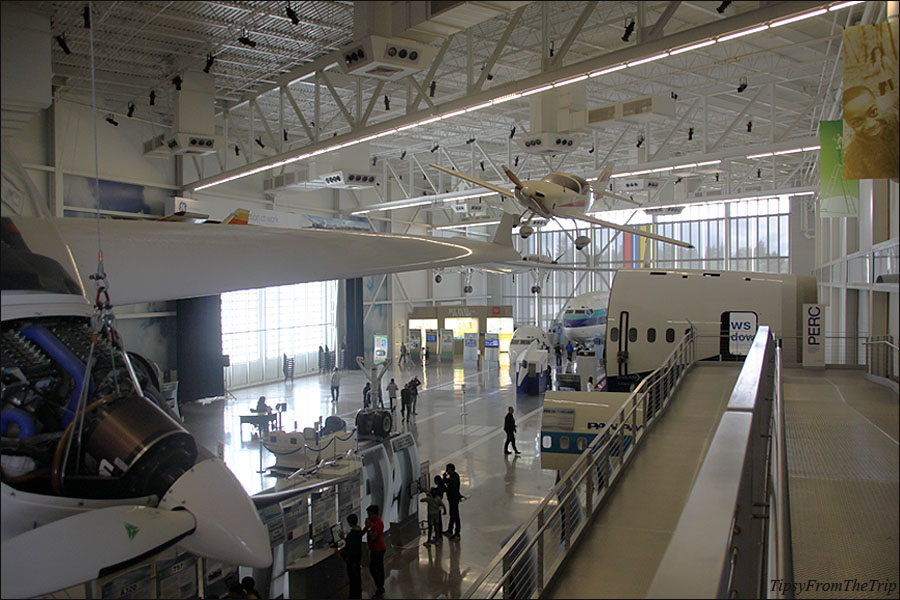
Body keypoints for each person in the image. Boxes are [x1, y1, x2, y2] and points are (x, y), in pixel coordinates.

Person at [842, 85, 900, 179]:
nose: (870, 125)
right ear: (848, 124)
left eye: (873, 112)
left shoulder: (894, 122)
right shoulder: (853, 157)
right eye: (857, 122)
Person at [363, 505, 386, 598]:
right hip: (373, 549)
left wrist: (369, 527)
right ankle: (380, 587)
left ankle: (380, 587)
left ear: (375, 514)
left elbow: (373, 536)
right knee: (375, 568)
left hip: (378, 549)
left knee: (375, 569)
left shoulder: (378, 523)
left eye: (370, 514)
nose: (368, 516)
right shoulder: (371, 522)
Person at [340, 513, 364, 599]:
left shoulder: (351, 535)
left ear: (350, 523)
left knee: (353, 578)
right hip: (357, 558)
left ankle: (353, 595)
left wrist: (340, 554)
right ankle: (358, 593)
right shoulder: (359, 531)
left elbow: (349, 547)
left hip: (352, 559)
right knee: (357, 577)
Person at [442, 463, 463, 540]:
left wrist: (444, 480)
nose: (447, 471)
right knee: (452, 514)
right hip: (451, 499)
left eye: (448, 469)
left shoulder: (455, 478)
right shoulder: (452, 476)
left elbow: (449, 484)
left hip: (454, 499)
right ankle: (450, 530)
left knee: (455, 515)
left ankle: (457, 533)